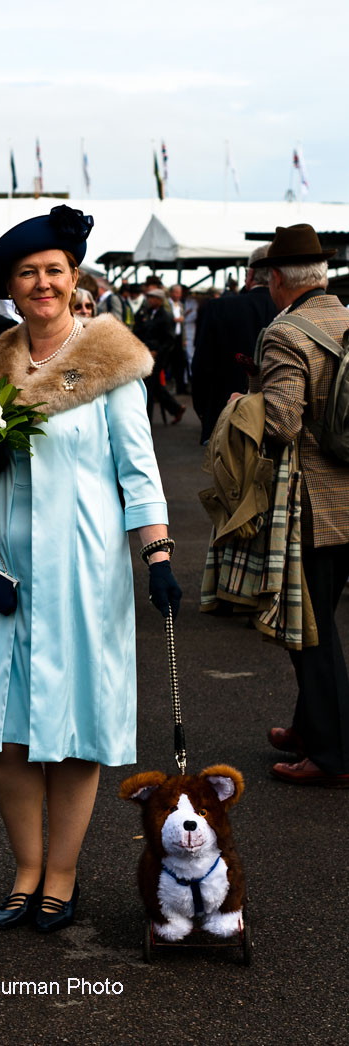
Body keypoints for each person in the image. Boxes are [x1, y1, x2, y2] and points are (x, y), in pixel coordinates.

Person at [0, 205, 181, 932]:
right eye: (28, 274)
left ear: (73, 277)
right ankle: (26, 868)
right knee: (6, 725)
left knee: (75, 722)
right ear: (11, 288)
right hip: (3, 564)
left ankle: (62, 874)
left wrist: (156, 555)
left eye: (53, 270)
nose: (43, 283)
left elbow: (139, 469)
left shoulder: (112, 360)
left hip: (84, 566)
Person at [247, 224, 349, 787]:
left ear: (277, 278)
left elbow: (282, 422)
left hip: (318, 508)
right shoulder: (347, 318)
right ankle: (310, 726)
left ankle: (332, 755)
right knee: (322, 619)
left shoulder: (285, 333)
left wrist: (246, 405)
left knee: (309, 631)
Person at [191, 245, 277, 444]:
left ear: (251, 274)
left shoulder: (219, 308)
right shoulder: (288, 310)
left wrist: (204, 411)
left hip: (226, 415)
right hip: (278, 420)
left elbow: (201, 366)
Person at [134, 286, 185, 424]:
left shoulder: (165, 316)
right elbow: (138, 329)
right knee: (153, 385)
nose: (149, 300)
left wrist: (158, 351)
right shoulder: (146, 312)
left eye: (152, 297)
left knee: (149, 387)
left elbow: (169, 339)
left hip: (158, 357)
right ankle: (176, 408)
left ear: (159, 300)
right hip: (144, 353)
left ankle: (146, 420)